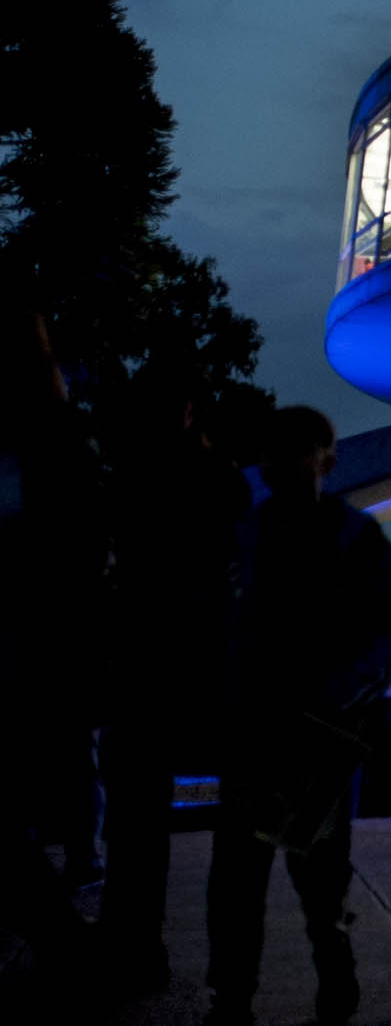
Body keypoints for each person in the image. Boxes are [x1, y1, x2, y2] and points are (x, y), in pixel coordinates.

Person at [203, 408, 391, 1026]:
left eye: (297, 450)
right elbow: (388, 629)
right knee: (256, 876)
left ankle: (304, 986)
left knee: (297, 876)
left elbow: (387, 628)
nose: (285, 463)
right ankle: (255, 993)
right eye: (277, 451)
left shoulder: (325, 536)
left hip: (308, 733)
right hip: (287, 729)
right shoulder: (288, 534)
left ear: (325, 457)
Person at [98, 360, 251, 996]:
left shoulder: (126, 480)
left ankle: (133, 940)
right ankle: (222, 944)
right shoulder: (222, 481)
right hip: (202, 655)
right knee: (222, 802)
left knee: (137, 809)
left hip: (142, 657)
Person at [0, 309, 102, 990]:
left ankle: (56, 928)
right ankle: (58, 927)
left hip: (33, 640)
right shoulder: (62, 442)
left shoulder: (54, 446)